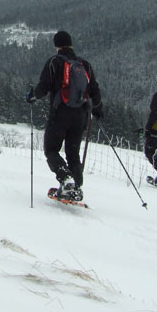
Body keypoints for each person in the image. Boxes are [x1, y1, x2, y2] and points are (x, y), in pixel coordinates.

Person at [26, 31, 102, 201]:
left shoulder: (54, 62)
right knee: (73, 152)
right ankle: (76, 185)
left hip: (60, 113)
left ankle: (66, 181)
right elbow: (94, 90)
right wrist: (97, 109)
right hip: (80, 115)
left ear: (56, 45)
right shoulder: (84, 65)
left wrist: (32, 96)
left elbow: (43, 88)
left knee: (51, 149)